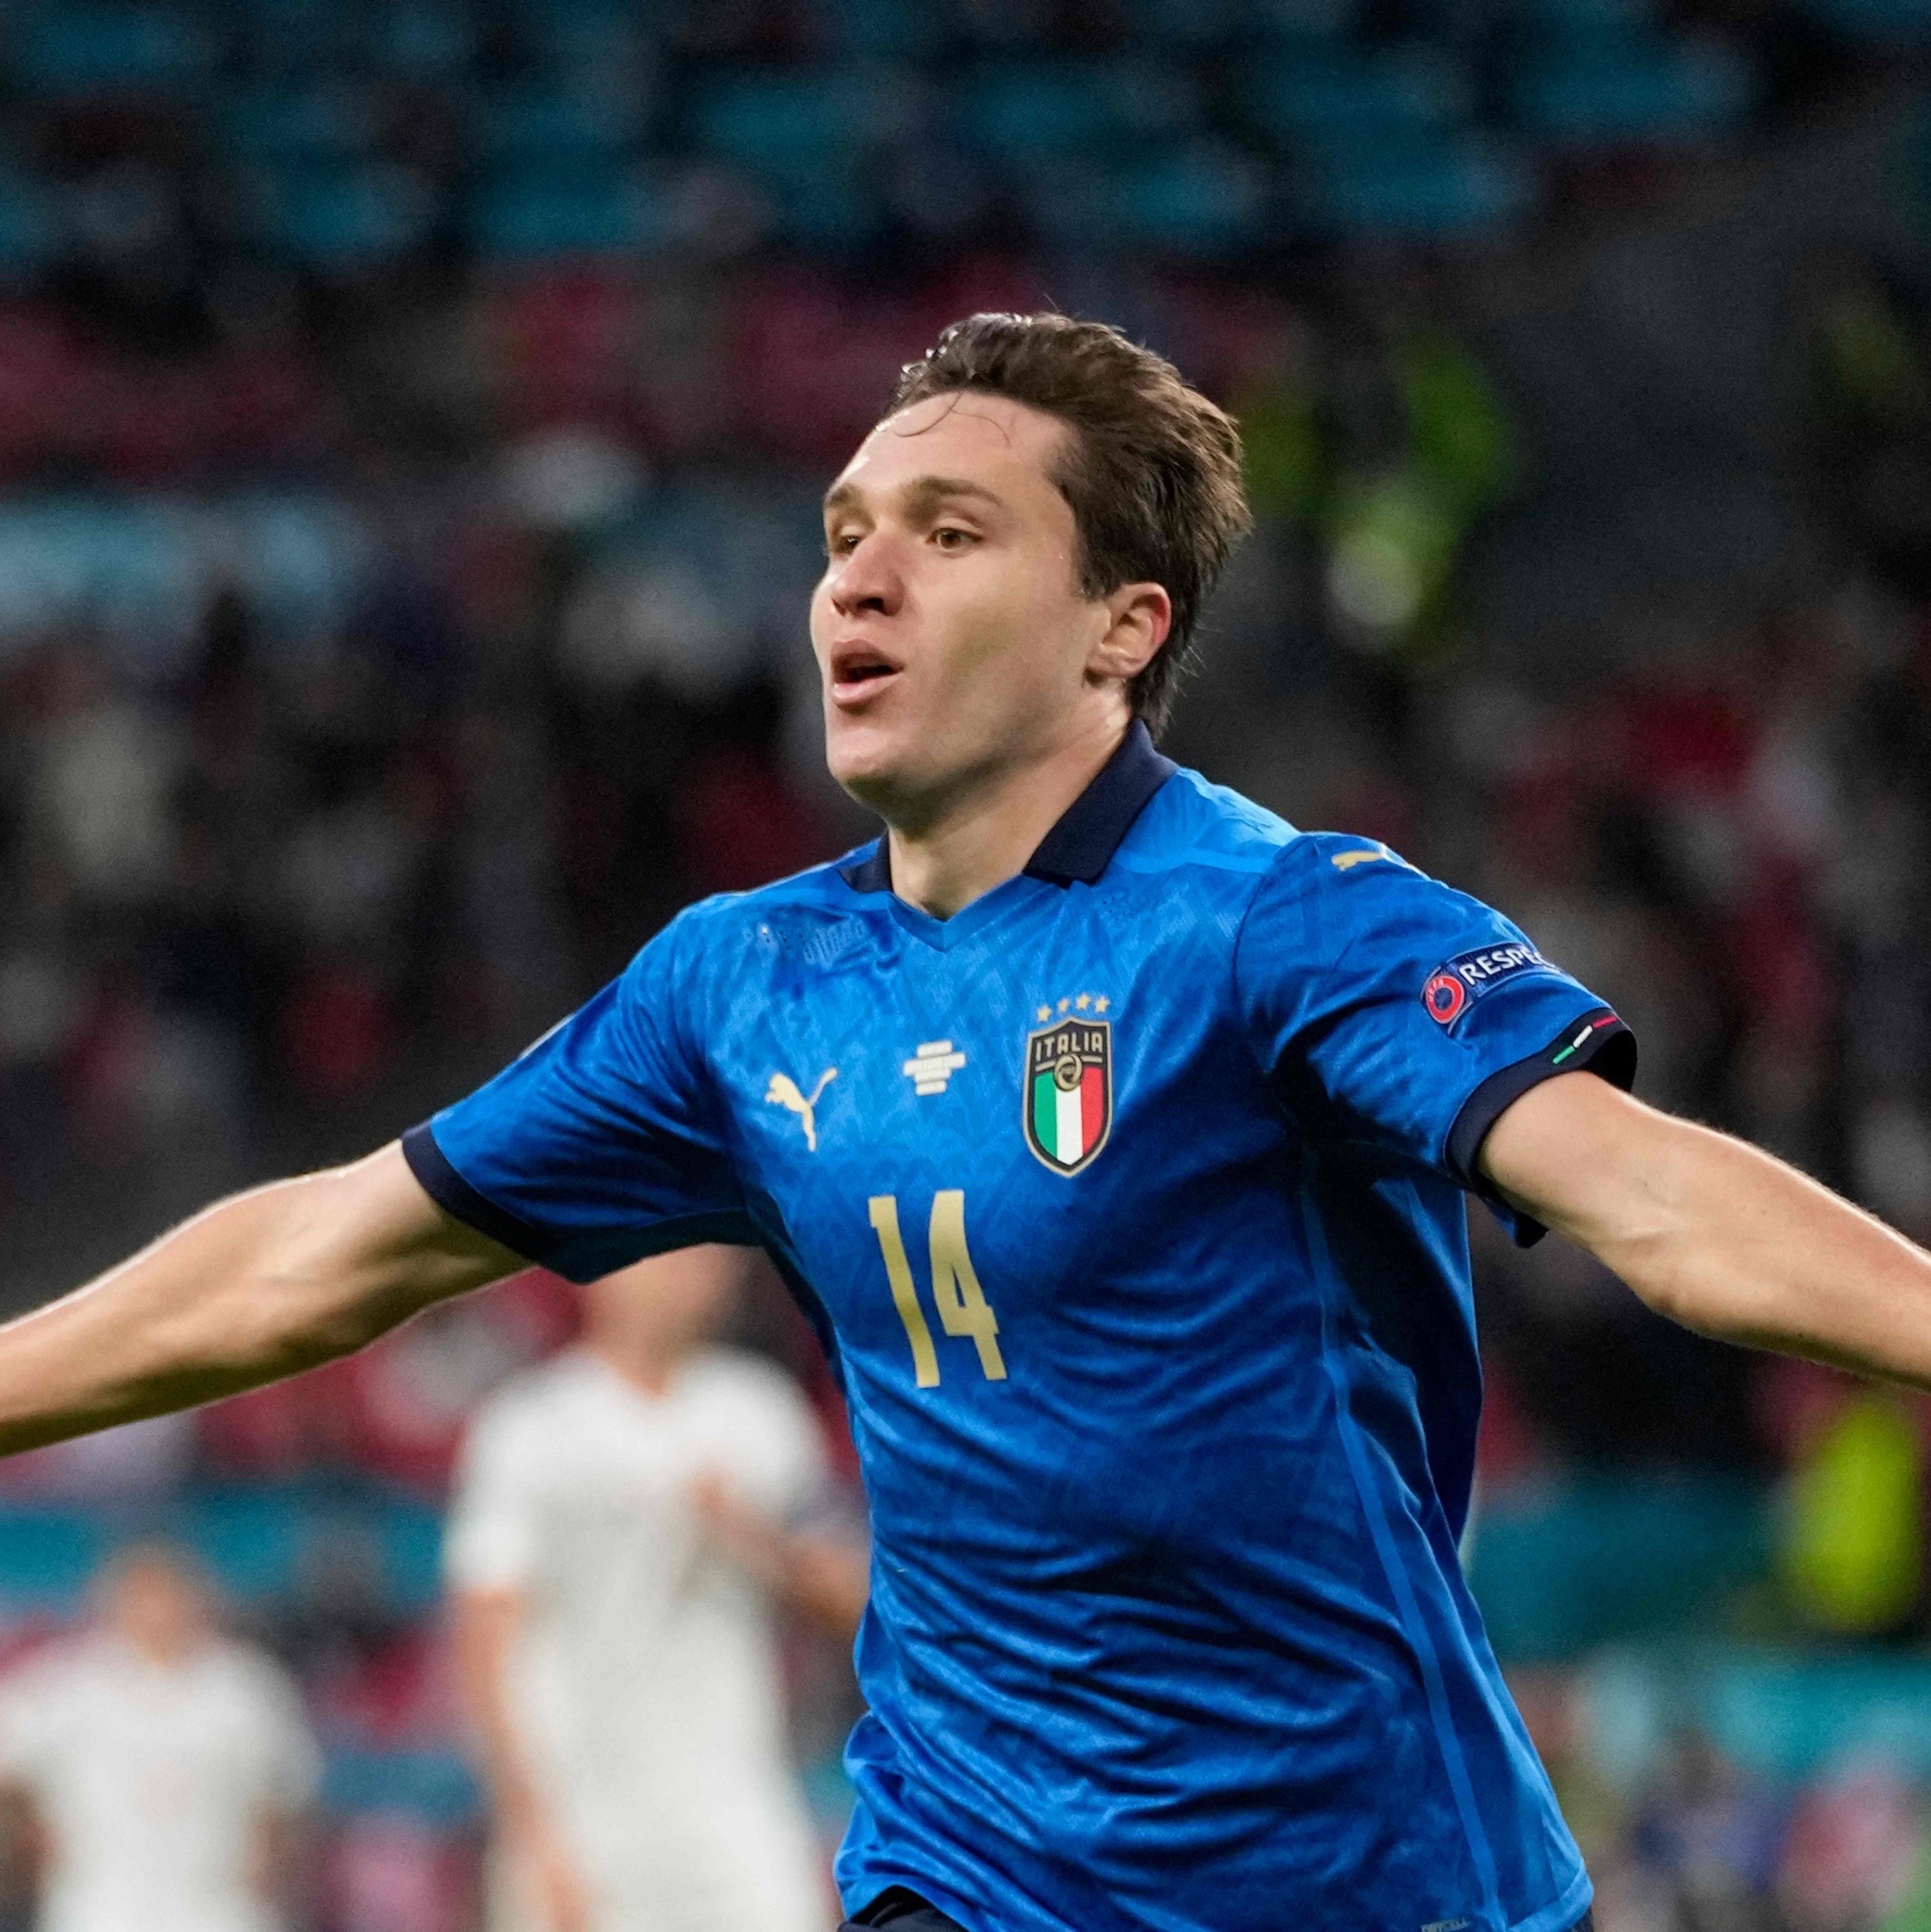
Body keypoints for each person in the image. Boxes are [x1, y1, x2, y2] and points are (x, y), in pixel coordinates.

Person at [0, 313, 1930, 1932]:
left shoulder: (1278, 921)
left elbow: (1659, 1204)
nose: (857, 572)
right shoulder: (736, 987)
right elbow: (323, 1253)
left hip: (1365, 1872)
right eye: (845, 529)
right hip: (968, 1865)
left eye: (950, 528)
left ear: (1119, 625)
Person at [447, 1243, 864, 1932]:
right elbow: (485, 1646)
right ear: (601, 1267)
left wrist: (755, 1541)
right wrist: (531, 1834)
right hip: (583, 1823)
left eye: (711, 1258)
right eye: (668, 1254)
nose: (692, 1274)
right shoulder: (529, 1428)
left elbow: (855, 1603)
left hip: (735, 1815)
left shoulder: (758, 1415)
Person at [0, 1542, 319, 1932]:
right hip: (99, 1902)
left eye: (168, 1596)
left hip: (217, 1902)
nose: (157, 1612)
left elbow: (287, 1788)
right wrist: (27, 1836)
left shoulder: (246, 1687)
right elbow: (11, 1760)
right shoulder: (65, 1684)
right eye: (143, 1597)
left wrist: (270, 1855)